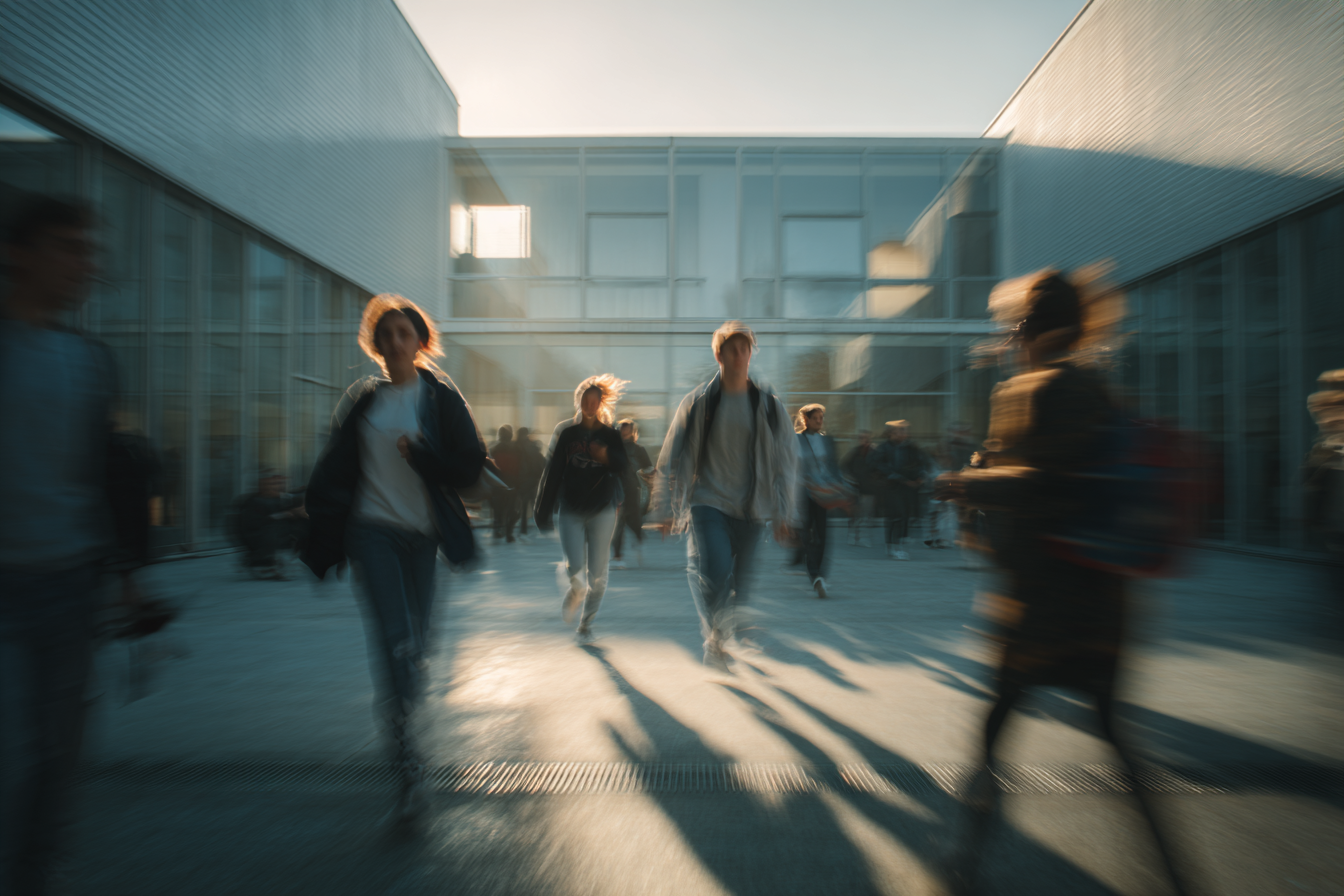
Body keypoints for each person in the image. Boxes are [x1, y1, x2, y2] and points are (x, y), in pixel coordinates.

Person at [935, 268, 1191, 896]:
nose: (1011, 333)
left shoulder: (1038, 388)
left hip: (1044, 600)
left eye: (1017, 322)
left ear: (1031, 325)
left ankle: (964, 859)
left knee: (997, 724)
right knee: (1111, 732)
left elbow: (1038, 483)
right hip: (1102, 598)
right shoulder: (1093, 387)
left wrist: (965, 482)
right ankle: (1174, 873)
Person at [1, 195, 156, 894]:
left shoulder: (90, 361)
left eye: (89, 250)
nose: (86, 265)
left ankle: (39, 873)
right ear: (19, 255)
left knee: (59, 750)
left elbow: (104, 473)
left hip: (67, 581)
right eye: (68, 247)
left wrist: (126, 574)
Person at [302, 294, 486, 825]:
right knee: (395, 636)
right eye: (386, 336)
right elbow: (334, 467)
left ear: (421, 342)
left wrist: (425, 456)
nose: (395, 343)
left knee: (417, 646)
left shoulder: (441, 397)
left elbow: (469, 466)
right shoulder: (363, 401)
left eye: (405, 334)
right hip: (372, 533)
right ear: (376, 345)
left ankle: (404, 715)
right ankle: (407, 768)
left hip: (422, 538)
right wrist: (316, 519)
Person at [650, 321, 796, 672]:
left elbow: (786, 463)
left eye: (745, 348)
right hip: (707, 502)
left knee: (740, 589)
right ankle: (716, 635)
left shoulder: (770, 405)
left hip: (751, 508)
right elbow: (670, 456)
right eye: (732, 348)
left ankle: (718, 633)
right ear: (718, 354)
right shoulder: (699, 402)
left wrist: (783, 512)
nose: (739, 355)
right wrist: (663, 507)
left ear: (751, 354)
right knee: (714, 572)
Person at [534, 375, 630, 643]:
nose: (589, 405)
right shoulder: (567, 434)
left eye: (594, 401)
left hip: (602, 510)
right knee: (575, 568)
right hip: (571, 511)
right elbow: (552, 473)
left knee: (598, 574)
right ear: (579, 402)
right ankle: (575, 591)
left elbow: (623, 465)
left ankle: (586, 622)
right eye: (585, 401)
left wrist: (605, 456)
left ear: (600, 404)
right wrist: (542, 509)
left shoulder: (610, 434)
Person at [793, 404, 843, 599]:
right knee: (806, 534)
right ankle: (815, 575)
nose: (820, 421)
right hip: (804, 493)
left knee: (822, 534)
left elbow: (833, 467)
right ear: (806, 420)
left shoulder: (828, 441)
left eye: (822, 417)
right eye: (816, 418)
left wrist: (840, 487)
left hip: (824, 494)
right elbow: (792, 466)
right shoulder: (796, 440)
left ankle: (820, 575)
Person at [871, 420, 927, 560]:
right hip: (891, 487)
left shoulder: (911, 447)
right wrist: (899, 478)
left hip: (908, 487)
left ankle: (897, 544)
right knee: (895, 516)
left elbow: (921, 463)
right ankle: (893, 546)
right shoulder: (883, 448)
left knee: (904, 516)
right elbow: (878, 466)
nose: (904, 433)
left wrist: (920, 476)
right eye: (900, 430)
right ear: (891, 433)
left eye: (905, 430)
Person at [237, 470, 307, 578]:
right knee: (277, 526)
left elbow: (298, 498)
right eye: (273, 484)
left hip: (276, 536)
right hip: (258, 537)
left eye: (280, 484)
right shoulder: (254, 501)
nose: (278, 487)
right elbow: (256, 523)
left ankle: (290, 558)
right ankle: (261, 560)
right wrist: (286, 514)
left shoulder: (283, 498)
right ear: (262, 485)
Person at [610, 418, 653, 569]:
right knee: (618, 524)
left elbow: (649, 469)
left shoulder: (638, 450)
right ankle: (617, 556)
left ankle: (639, 539)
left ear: (632, 431)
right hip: (616, 489)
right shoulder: (613, 448)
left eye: (627, 428)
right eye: (622, 428)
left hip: (633, 490)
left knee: (633, 521)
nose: (624, 430)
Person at [842, 429, 880, 546]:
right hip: (856, 488)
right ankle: (852, 536)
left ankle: (863, 537)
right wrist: (850, 479)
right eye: (862, 438)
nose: (864, 440)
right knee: (855, 514)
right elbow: (844, 466)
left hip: (869, 488)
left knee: (867, 514)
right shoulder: (855, 452)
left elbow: (879, 468)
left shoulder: (874, 453)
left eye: (866, 438)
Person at [488, 424, 520, 541]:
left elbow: (489, 468)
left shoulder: (492, 448)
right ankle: (509, 533)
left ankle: (497, 530)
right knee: (511, 509)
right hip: (511, 483)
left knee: (498, 509)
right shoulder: (516, 449)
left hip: (496, 483)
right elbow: (519, 468)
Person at [514, 426, 544, 541]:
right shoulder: (531, 446)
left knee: (523, 505)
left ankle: (523, 528)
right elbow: (539, 463)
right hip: (531, 479)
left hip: (521, 480)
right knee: (531, 503)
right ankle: (538, 526)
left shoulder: (516, 446)